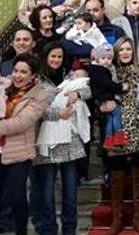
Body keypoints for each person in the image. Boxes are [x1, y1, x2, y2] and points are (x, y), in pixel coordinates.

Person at [0, 53, 49, 235]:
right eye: (16, 70)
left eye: (24, 72)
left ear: (33, 75)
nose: (18, 75)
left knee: (17, 198)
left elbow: (20, 123)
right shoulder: (3, 85)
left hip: (18, 153)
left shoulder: (39, 96)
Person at [29, 52, 88, 235]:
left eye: (60, 57)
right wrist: (57, 113)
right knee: (47, 190)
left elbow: (88, 89)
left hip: (69, 139)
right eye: (52, 56)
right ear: (45, 57)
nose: (56, 60)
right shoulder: (36, 80)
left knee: (70, 190)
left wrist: (77, 93)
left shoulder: (70, 75)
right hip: (46, 141)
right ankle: (49, 229)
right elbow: (35, 109)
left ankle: (70, 229)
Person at [106, 36, 139, 233]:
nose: (125, 52)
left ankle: (138, 216)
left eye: (128, 49)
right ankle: (118, 217)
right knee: (117, 174)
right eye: (121, 49)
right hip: (116, 129)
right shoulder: (110, 73)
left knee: (138, 174)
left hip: (138, 127)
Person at [87, 44, 129, 149]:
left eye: (109, 58)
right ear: (97, 58)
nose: (106, 61)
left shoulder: (95, 70)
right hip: (105, 97)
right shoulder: (101, 71)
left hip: (101, 97)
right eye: (103, 58)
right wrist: (120, 87)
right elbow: (108, 84)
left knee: (110, 118)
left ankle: (109, 139)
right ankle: (118, 135)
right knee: (117, 112)